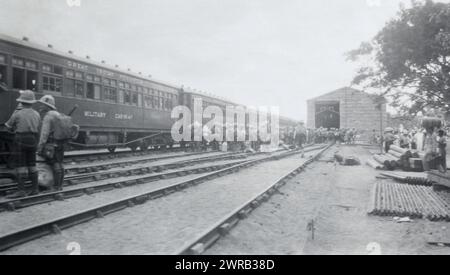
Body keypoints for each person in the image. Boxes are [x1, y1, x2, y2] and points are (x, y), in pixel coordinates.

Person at [5, 90, 41, 198]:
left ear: (21, 102)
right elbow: (39, 128)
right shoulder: (37, 114)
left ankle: (21, 191)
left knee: (21, 165)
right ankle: (35, 189)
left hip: (21, 139)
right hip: (33, 139)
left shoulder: (18, 113)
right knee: (32, 164)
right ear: (32, 102)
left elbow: (8, 126)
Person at [37, 95, 65, 191]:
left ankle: (56, 187)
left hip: (51, 144)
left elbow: (44, 134)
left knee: (54, 163)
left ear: (47, 105)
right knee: (60, 163)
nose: (40, 106)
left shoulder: (48, 116)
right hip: (60, 143)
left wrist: (40, 147)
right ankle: (59, 185)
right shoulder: (58, 114)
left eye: (42, 104)